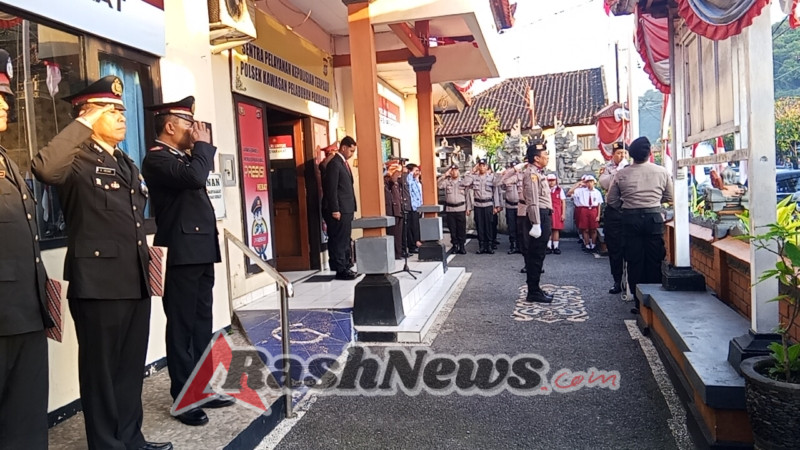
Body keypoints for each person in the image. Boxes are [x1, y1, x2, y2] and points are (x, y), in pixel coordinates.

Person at [31, 75, 172, 450]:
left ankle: (132, 438)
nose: (123, 117)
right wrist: (82, 126)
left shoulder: (123, 161)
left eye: (123, 111)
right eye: (112, 111)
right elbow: (44, 168)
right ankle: (108, 445)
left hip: (135, 279)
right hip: (97, 284)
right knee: (101, 373)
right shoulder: (76, 160)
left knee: (129, 369)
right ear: (89, 116)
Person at [141, 96, 234, 427]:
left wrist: (198, 150)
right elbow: (194, 178)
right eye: (187, 124)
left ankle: (202, 387)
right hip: (180, 255)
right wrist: (203, 147)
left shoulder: (183, 158)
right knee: (181, 328)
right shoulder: (157, 159)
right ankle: (184, 399)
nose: (193, 130)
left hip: (200, 253)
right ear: (169, 126)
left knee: (200, 326)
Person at [0, 49, 54, 450]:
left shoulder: (8, 161)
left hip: (25, 310)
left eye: (5, 96)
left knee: (26, 416)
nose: (5, 105)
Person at [607, 136, 673, 314]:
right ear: (650, 153)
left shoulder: (622, 174)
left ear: (632, 155)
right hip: (653, 218)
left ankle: (638, 303)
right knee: (654, 259)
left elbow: (611, 200)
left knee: (634, 261)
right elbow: (670, 197)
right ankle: (654, 302)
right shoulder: (661, 171)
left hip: (630, 219)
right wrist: (655, 202)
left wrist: (626, 206)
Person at [322, 136, 358, 280]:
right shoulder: (334, 164)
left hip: (346, 208)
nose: (352, 154)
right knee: (339, 239)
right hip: (339, 210)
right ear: (343, 147)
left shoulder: (343, 164)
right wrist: (335, 209)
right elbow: (331, 189)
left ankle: (345, 265)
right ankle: (340, 269)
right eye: (351, 150)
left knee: (344, 239)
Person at [522, 142, 554, 303]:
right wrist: (536, 222)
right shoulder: (531, 174)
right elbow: (532, 200)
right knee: (535, 254)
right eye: (545, 155)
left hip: (543, 214)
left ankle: (535, 288)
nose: (547, 157)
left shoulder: (538, 172)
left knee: (539, 254)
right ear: (536, 158)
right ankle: (533, 291)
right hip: (538, 215)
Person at [599, 141, 628, 294]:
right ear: (613, 155)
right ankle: (617, 280)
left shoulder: (631, 168)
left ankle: (631, 282)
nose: (622, 156)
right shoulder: (608, 170)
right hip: (613, 213)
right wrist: (618, 172)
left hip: (629, 211)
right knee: (615, 250)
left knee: (631, 249)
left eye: (624, 153)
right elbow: (605, 184)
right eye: (619, 153)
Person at [467, 158, 501, 254]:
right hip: (478, 205)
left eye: (484, 165)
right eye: (480, 165)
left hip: (488, 204)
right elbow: (464, 182)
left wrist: (496, 206)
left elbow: (495, 192)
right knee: (480, 225)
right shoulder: (474, 177)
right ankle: (481, 245)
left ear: (487, 167)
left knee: (489, 225)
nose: (482, 167)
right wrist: (472, 171)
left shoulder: (491, 178)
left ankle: (489, 246)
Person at [438, 164, 472, 254]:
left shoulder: (463, 182)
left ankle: (462, 246)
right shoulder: (447, 182)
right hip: (450, 209)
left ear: (459, 171)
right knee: (452, 229)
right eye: (452, 170)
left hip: (461, 208)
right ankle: (455, 245)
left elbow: (467, 196)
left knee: (461, 229)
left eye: (456, 170)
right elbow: (439, 185)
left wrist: (468, 208)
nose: (454, 172)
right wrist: (444, 175)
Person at [569, 175, 604, 253]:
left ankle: (593, 244)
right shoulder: (580, 191)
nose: (590, 184)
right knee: (585, 229)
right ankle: (587, 245)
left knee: (593, 229)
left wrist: (598, 215)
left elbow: (599, 204)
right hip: (584, 209)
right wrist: (578, 185)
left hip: (593, 209)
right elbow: (569, 193)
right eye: (587, 182)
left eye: (591, 182)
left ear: (594, 183)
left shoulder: (597, 192)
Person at [384, 163, 405, 259]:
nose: (399, 175)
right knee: (394, 233)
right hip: (392, 211)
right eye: (397, 172)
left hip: (398, 210)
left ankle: (399, 252)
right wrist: (392, 174)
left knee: (399, 235)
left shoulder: (396, 182)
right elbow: (390, 181)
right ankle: (396, 253)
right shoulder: (387, 180)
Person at [500, 161, 521, 254]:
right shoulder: (507, 180)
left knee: (521, 227)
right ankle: (513, 244)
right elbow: (500, 184)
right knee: (511, 227)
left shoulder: (523, 177)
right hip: (510, 206)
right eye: (513, 169)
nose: (515, 171)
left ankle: (521, 245)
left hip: (520, 206)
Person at [546, 173, 566, 254]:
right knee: (548, 229)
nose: (551, 182)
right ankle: (549, 246)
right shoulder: (545, 190)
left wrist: (563, 213)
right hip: (547, 210)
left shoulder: (559, 190)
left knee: (556, 229)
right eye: (549, 181)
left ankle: (556, 246)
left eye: (553, 180)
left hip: (557, 211)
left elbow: (563, 202)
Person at [405, 163, 423, 254]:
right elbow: (409, 182)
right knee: (412, 227)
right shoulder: (409, 180)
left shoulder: (417, 182)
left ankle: (417, 242)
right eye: (415, 170)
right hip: (412, 207)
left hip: (417, 207)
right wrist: (411, 173)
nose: (417, 172)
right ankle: (413, 245)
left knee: (416, 226)